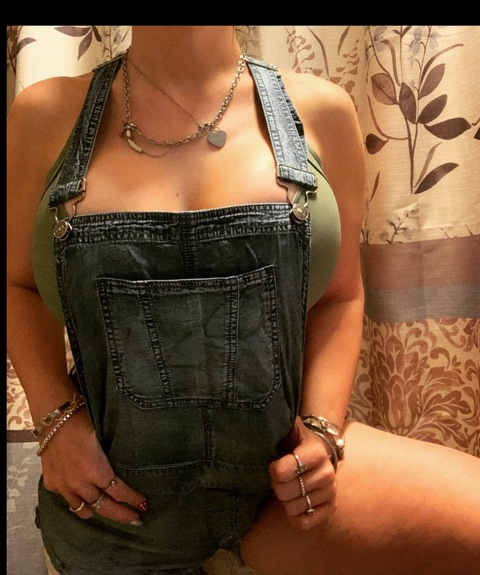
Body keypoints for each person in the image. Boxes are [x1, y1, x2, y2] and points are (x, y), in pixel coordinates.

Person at [6, 25, 480, 575]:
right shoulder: (45, 115)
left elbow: (341, 295)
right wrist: (57, 423)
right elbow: (18, 286)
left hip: (283, 492)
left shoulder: (321, 112)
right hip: (115, 513)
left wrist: (322, 430)